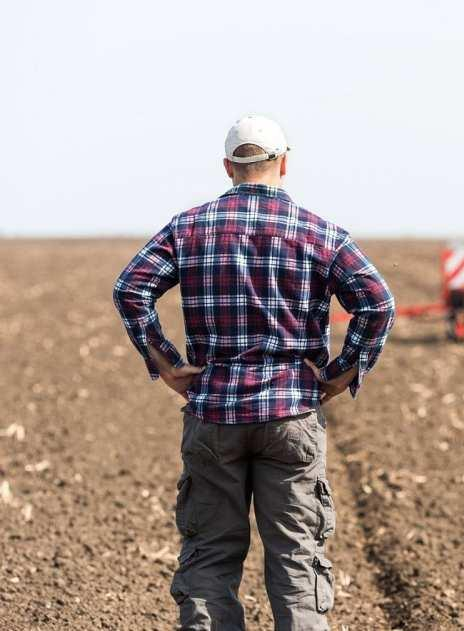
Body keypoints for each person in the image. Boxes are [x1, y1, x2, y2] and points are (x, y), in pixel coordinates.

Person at [112, 114, 395, 630]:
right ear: (284, 163)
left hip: (215, 415)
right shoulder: (321, 233)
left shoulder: (188, 227)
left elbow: (130, 288)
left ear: (227, 166)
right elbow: (377, 303)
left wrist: (167, 363)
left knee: (211, 558)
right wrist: (339, 373)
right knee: (296, 561)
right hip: (292, 416)